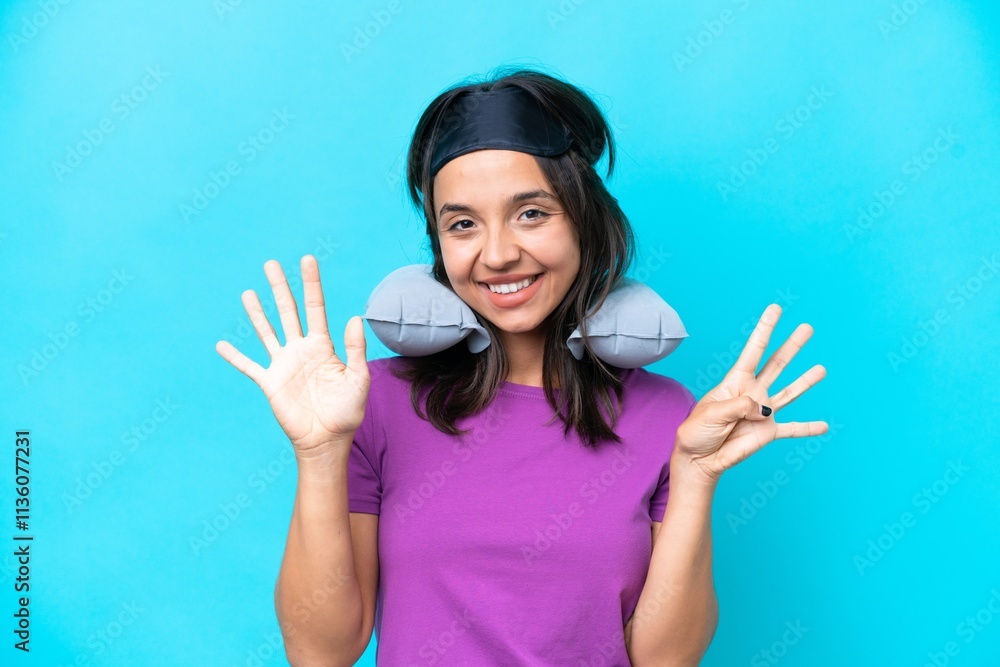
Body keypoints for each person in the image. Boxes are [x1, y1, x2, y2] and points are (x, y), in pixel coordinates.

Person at [215, 67, 828, 666]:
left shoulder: (668, 415)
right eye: (462, 225)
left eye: (531, 213)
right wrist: (320, 455)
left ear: (585, 220)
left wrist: (695, 476)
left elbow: (663, 659)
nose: (499, 254)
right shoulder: (370, 403)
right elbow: (320, 653)